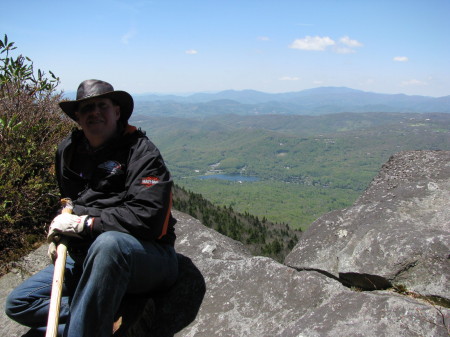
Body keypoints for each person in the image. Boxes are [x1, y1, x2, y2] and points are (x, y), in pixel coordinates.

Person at [5, 79, 179, 336]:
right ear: (77, 117)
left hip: (144, 257)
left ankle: (89, 320)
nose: (94, 112)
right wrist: (62, 231)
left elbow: (148, 219)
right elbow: (70, 202)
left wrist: (84, 224)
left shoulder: (141, 152)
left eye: (102, 105)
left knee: (109, 244)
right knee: (19, 303)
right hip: (87, 255)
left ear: (117, 112)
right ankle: (101, 310)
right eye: (86, 108)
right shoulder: (69, 151)